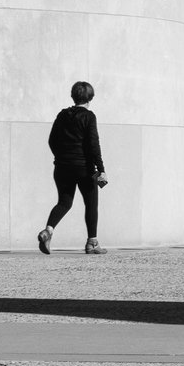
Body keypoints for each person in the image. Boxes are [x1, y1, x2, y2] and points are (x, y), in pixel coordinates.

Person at [39, 81, 108, 255]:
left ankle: (48, 230)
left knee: (64, 202)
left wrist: (60, 157)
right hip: (84, 168)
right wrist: (101, 169)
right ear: (91, 97)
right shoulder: (89, 116)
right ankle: (92, 243)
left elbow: (51, 140)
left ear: (73, 96)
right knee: (91, 204)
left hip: (62, 167)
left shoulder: (62, 115)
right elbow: (94, 144)